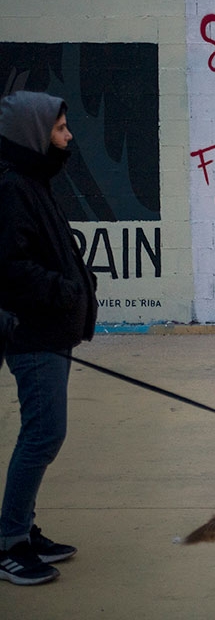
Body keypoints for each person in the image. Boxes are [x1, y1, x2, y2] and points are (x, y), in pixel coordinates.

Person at [0, 91, 97, 585]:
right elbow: (9, 269)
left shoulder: (33, 183)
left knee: (42, 434)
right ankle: (9, 542)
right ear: (36, 136)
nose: (69, 137)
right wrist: (63, 291)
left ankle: (22, 528)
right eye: (61, 129)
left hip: (50, 331)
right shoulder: (14, 189)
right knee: (42, 435)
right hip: (34, 334)